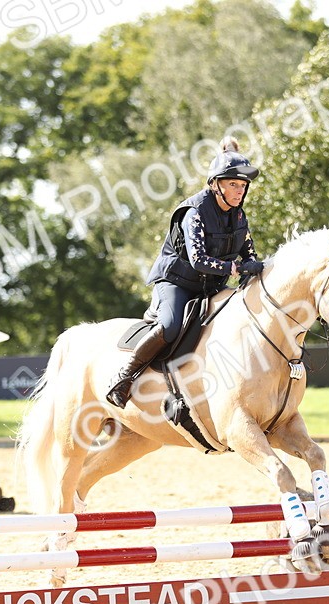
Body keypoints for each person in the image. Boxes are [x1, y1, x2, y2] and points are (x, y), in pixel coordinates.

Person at [106, 136, 266, 408]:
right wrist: (237, 268)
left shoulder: (239, 216)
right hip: (176, 282)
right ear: (216, 185)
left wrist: (255, 266)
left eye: (242, 185)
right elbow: (199, 260)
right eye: (233, 184)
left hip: (211, 287)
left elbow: (249, 253)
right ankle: (123, 378)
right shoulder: (194, 212)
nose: (239, 191)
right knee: (169, 326)